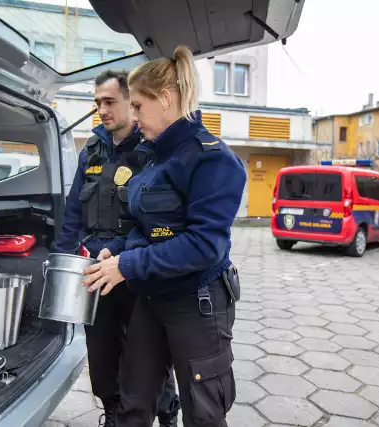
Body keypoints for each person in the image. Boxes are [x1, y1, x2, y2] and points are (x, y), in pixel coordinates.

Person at [82, 46, 246, 427]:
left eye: (138, 106)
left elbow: (204, 246)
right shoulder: (154, 158)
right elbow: (146, 227)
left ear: (167, 100)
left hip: (198, 300)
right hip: (152, 296)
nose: (133, 117)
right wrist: (116, 251)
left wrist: (128, 264)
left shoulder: (214, 160)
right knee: (133, 402)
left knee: (203, 411)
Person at [50, 70, 180, 427]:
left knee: (147, 352)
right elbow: (74, 209)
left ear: (130, 101)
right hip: (95, 266)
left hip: (135, 265)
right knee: (103, 350)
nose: (102, 110)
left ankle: (166, 409)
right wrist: (62, 259)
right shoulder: (91, 149)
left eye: (110, 101)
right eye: (97, 103)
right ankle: (113, 411)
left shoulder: (150, 149)